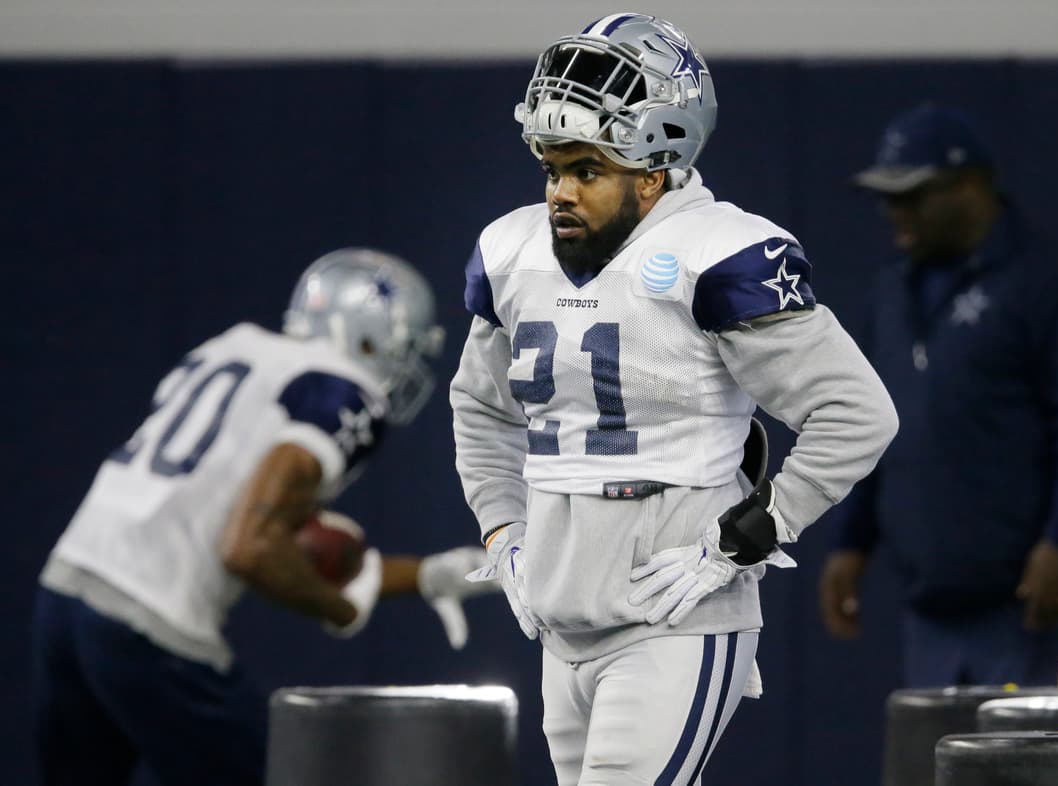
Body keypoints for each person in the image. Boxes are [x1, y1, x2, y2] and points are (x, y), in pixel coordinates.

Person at [450, 13, 898, 785]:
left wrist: (751, 533)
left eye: (587, 170)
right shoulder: (512, 253)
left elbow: (857, 413)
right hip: (560, 619)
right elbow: (483, 410)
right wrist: (502, 533)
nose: (560, 192)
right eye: (552, 168)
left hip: (675, 616)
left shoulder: (715, 252)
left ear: (653, 169)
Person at [33, 248, 496, 786]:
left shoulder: (234, 345)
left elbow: (246, 521)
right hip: (148, 620)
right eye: (402, 346)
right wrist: (341, 610)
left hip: (65, 592)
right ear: (369, 334)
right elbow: (250, 546)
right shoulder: (343, 390)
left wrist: (420, 576)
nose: (403, 364)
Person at [819, 103, 1058, 688]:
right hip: (932, 606)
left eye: (913, 194)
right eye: (887, 196)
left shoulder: (1057, 278)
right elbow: (871, 422)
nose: (894, 211)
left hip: (1036, 603)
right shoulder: (892, 292)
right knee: (936, 770)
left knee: (1044, 773)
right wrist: (851, 542)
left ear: (971, 185)